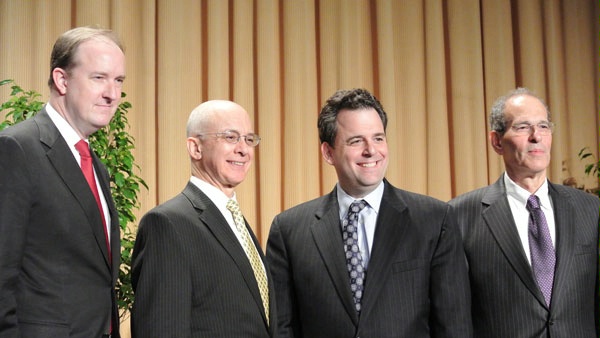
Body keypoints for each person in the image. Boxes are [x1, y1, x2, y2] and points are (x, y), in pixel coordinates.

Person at [266, 88, 473, 338]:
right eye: (356, 141)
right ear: (328, 153)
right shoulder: (288, 230)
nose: (371, 150)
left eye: (378, 138)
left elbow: (454, 325)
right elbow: (283, 329)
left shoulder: (434, 219)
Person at [0, 27, 125, 337]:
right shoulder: (17, 148)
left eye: (119, 80)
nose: (112, 93)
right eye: (99, 78)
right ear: (62, 79)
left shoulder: (95, 164)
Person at [449, 88, 600, 337]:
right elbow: (454, 315)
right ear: (497, 141)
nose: (536, 137)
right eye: (522, 127)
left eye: (543, 126)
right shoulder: (460, 216)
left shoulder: (590, 209)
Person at [131, 100, 275, 337]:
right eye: (231, 137)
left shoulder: (237, 222)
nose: (244, 149)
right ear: (195, 148)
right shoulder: (167, 225)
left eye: (249, 139)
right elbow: (161, 329)